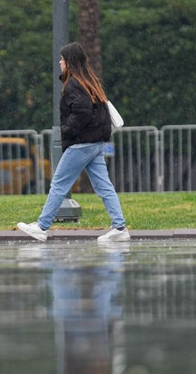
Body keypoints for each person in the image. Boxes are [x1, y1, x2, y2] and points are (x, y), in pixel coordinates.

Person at [17, 42, 130, 243]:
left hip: (81, 144)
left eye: (62, 59)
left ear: (69, 62)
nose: (59, 63)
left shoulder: (73, 85)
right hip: (95, 143)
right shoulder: (89, 81)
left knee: (59, 184)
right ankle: (120, 227)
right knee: (104, 187)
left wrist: (67, 130)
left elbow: (82, 112)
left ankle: (41, 227)